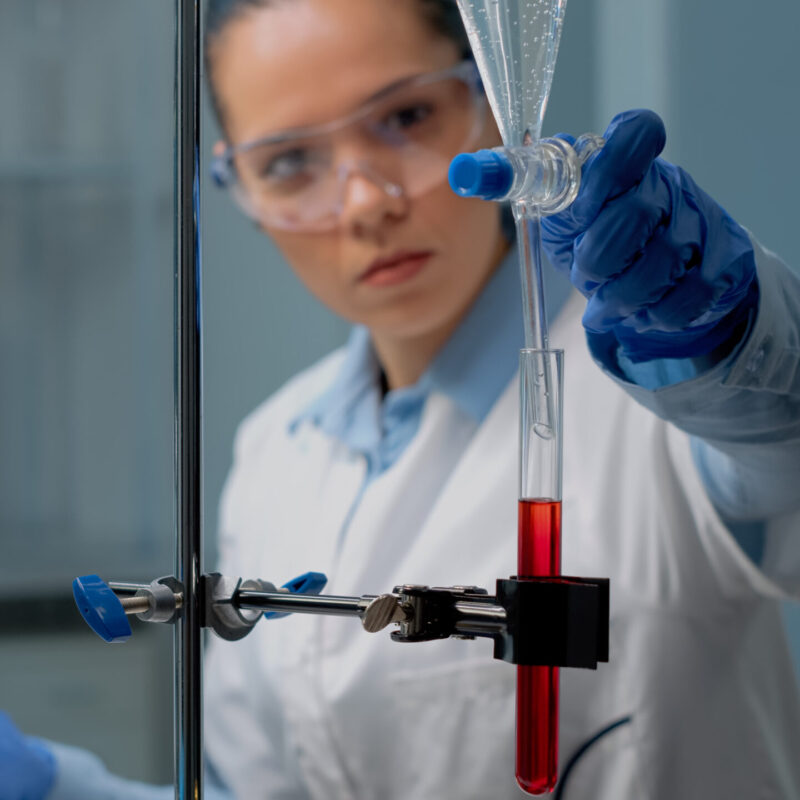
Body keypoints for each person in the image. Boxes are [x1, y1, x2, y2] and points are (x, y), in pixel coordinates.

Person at [4, 0, 800, 797]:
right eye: (288, 163)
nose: (364, 204)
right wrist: (57, 787)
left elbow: (778, 448)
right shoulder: (274, 447)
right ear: (237, 185)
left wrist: (736, 340)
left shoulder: (664, 383)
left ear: (490, 108)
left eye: (407, 116)